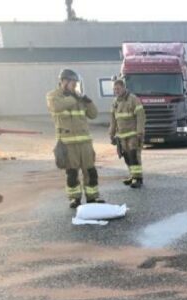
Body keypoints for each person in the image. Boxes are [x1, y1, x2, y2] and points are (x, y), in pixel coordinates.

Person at [46, 69, 104, 208]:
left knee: (90, 171)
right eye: (73, 82)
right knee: (72, 173)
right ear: (64, 82)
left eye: (76, 83)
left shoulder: (79, 97)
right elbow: (56, 107)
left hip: (85, 143)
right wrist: (74, 97)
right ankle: (75, 198)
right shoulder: (54, 96)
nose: (75, 85)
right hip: (68, 143)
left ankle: (92, 198)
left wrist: (88, 101)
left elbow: (94, 114)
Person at [109, 78, 145, 188]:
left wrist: (140, 132)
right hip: (121, 136)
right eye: (115, 89)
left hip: (133, 134)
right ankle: (132, 175)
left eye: (118, 88)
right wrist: (111, 134)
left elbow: (141, 116)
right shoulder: (115, 102)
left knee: (133, 156)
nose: (116, 91)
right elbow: (113, 120)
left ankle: (138, 178)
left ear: (124, 88)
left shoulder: (133, 99)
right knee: (126, 157)